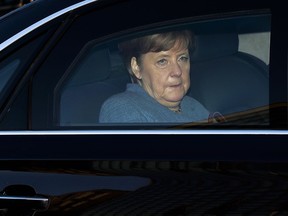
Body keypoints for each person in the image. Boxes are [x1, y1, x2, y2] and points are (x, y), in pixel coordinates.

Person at [99, 30, 210, 123]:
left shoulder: (193, 105)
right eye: (162, 61)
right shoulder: (122, 109)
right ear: (136, 67)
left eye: (182, 58)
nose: (177, 71)